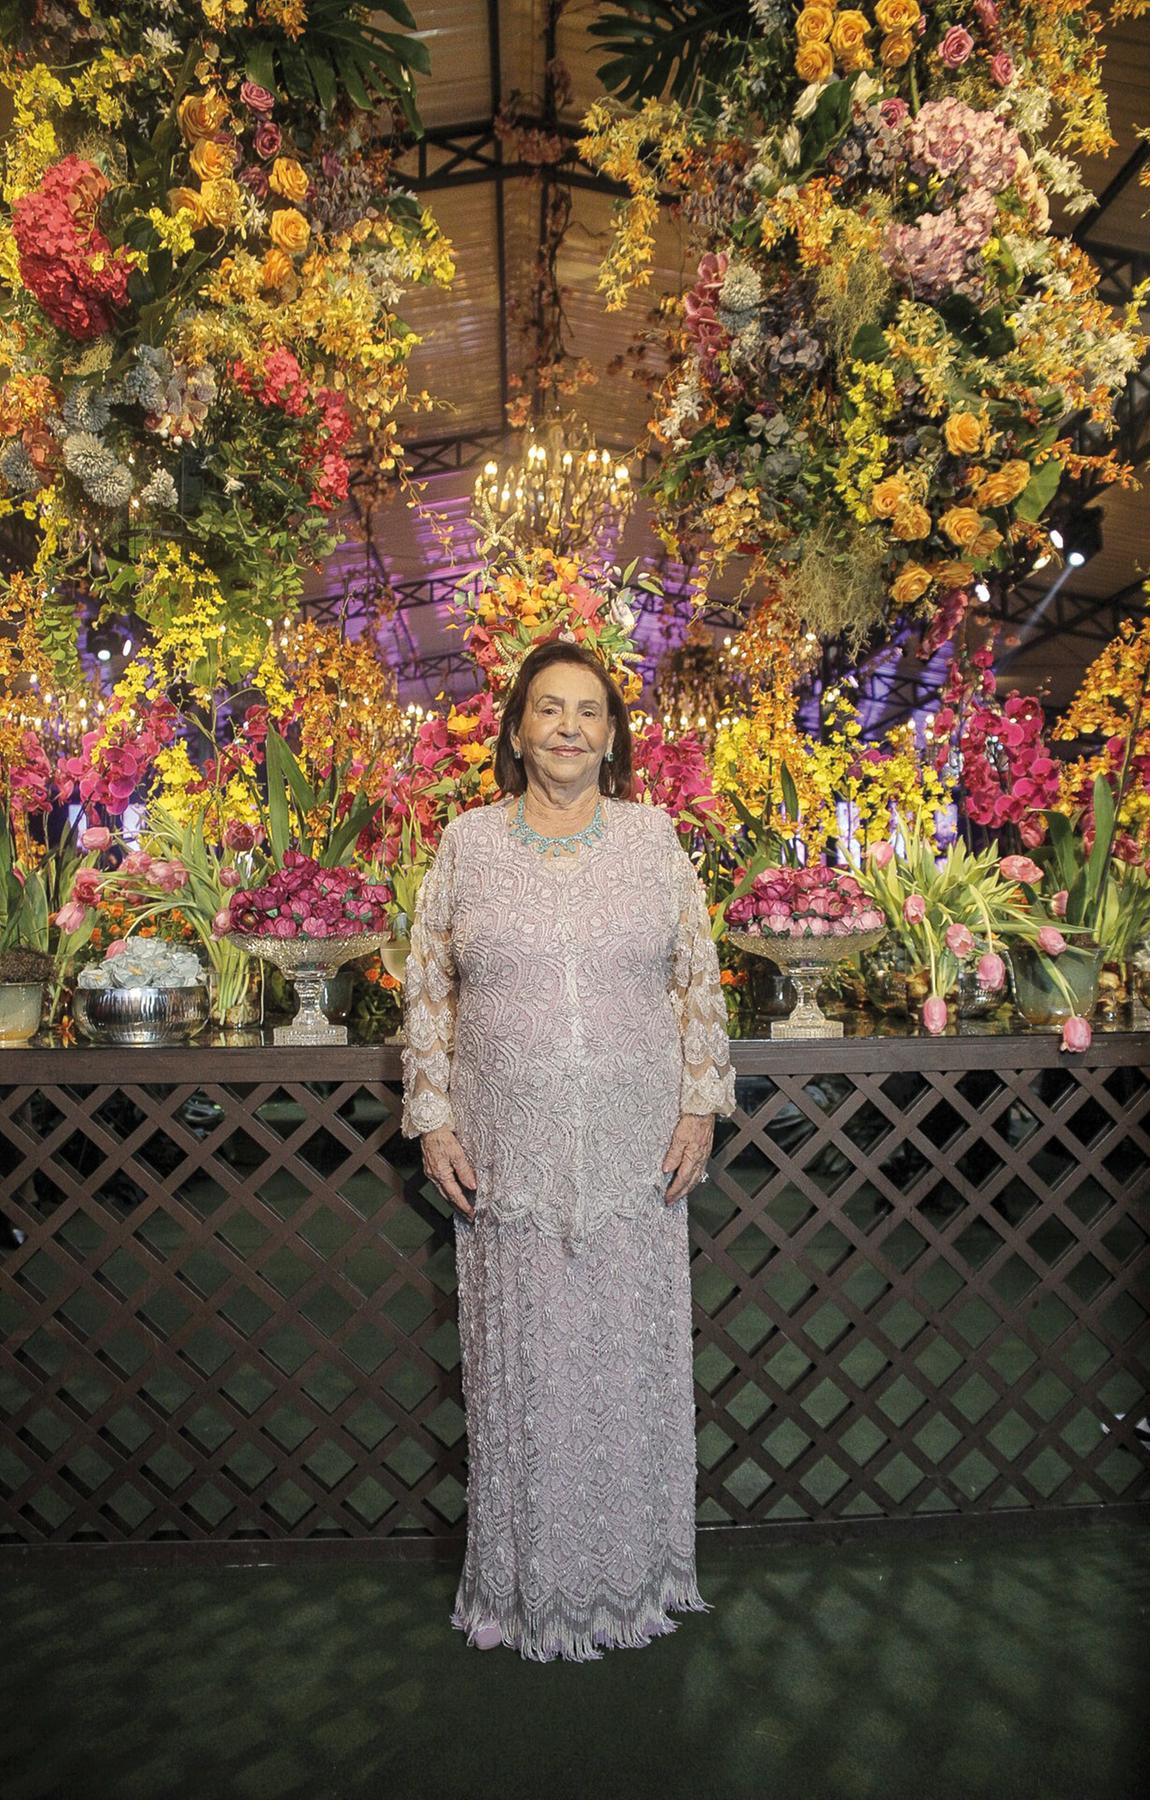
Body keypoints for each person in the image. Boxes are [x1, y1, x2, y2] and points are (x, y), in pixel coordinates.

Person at [400, 639, 736, 1661]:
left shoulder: (652, 839)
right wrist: (434, 1120)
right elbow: (427, 990)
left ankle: (638, 1579)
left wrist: (697, 1110)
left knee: (626, 1362)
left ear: (613, 735)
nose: (569, 728)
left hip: (638, 1152)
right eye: (550, 709)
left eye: (590, 711)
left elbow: (697, 983)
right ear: (515, 730)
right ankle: (527, 1589)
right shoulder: (466, 843)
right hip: (511, 1158)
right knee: (530, 1373)